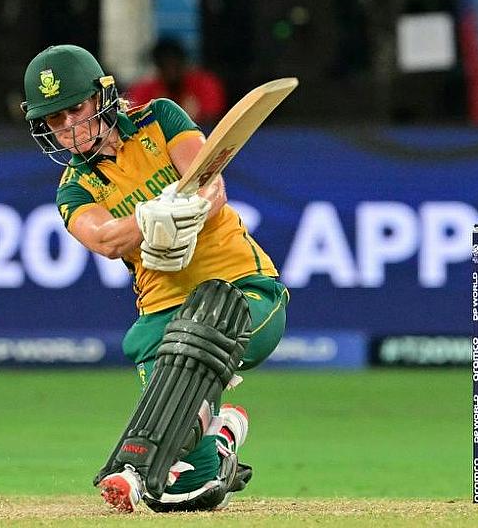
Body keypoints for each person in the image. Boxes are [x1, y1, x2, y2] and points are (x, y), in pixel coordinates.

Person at [21, 44, 288, 512]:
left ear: (102, 96)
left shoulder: (160, 118)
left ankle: (141, 464)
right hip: (162, 318)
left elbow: (211, 183)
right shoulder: (73, 187)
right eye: (54, 120)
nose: (68, 128)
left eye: (75, 110)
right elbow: (103, 239)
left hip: (247, 295)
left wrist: (188, 207)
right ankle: (217, 439)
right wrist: (151, 218)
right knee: (187, 493)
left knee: (205, 320)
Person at [126, 37, 227, 125]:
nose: (171, 71)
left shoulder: (204, 83)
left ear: (183, 62)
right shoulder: (145, 89)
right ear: (158, 66)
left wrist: (198, 116)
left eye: (175, 65)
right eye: (165, 66)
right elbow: (132, 121)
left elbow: (216, 118)